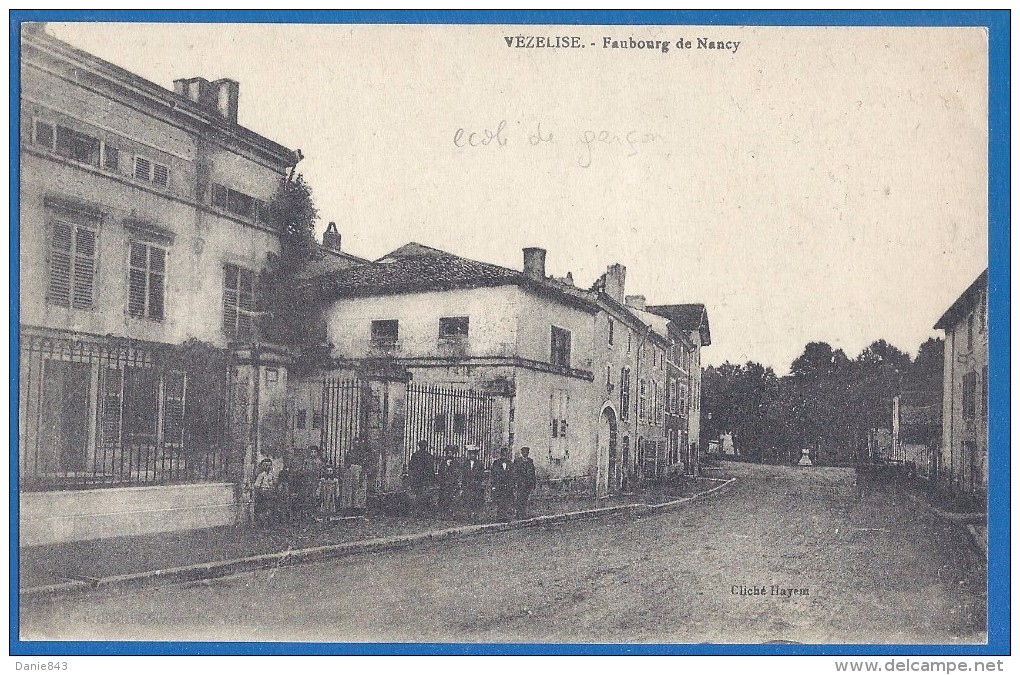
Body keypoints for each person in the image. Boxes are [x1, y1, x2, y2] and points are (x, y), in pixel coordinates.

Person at [407, 439, 436, 512]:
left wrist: (412, 476)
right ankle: (423, 509)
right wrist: (432, 479)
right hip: (425, 478)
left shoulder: (415, 455)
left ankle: (417, 509)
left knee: (418, 493)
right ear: (426, 446)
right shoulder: (429, 456)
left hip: (417, 477)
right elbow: (431, 469)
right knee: (424, 493)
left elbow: (410, 467)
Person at [461, 446, 486, 518]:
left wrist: (478, 482)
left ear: (476, 455)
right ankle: (469, 514)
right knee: (468, 499)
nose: (472, 455)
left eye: (474, 454)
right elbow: (463, 474)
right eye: (471, 454)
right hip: (468, 485)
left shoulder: (480, 464)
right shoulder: (465, 463)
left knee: (476, 499)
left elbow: (482, 475)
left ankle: (475, 513)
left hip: (476, 485)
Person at [513, 446, 537, 519]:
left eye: (527, 452)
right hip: (520, 483)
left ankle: (523, 514)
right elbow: (515, 473)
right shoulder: (517, 461)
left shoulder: (530, 461)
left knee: (525, 499)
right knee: (519, 498)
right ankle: (518, 514)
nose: (525, 454)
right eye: (524, 452)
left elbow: (533, 473)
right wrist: (515, 483)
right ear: (522, 453)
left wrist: (533, 483)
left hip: (528, 484)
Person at [491, 447, 514, 521]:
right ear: (501, 454)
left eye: (506, 454)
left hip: (507, 486)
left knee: (506, 501)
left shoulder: (510, 463)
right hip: (499, 485)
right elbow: (493, 475)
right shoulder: (496, 463)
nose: (504, 456)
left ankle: (505, 516)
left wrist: (511, 485)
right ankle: (499, 516)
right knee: (499, 501)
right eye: (503, 454)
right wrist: (493, 486)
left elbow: (512, 475)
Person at [437, 445, 460, 517]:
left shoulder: (456, 463)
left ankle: (451, 513)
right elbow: (440, 472)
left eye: (451, 453)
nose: (449, 454)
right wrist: (441, 481)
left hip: (452, 484)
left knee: (451, 499)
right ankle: (443, 514)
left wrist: (455, 482)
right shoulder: (443, 463)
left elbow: (457, 474)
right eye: (448, 453)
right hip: (444, 484)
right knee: (443, 499)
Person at [252, 458, 277, 526]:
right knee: (263, 508)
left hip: (270, 492)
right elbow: (257, 486)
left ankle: (269, 522)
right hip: (263, 493)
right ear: (263, 466)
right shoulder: (261, 475)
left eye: (269, 465)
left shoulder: (271, 475)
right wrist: (260, 493)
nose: (268, 467)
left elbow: (275, 483)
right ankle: (263, 522)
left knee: (270, 507)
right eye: (266, 465)